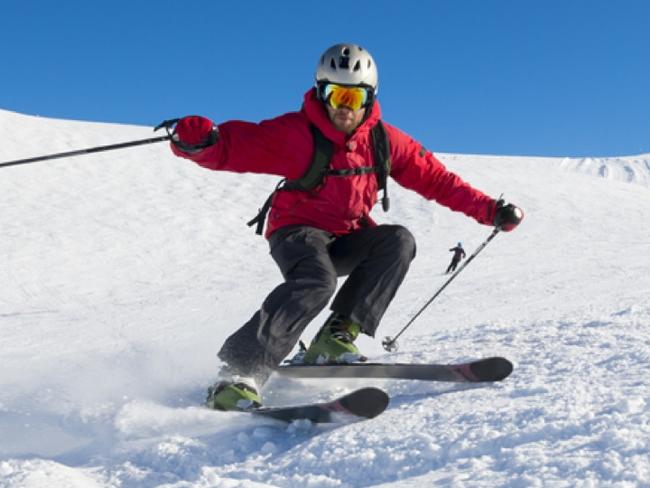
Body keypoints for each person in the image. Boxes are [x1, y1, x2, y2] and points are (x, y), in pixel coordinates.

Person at [168, 43, 524, 411]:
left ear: (369, 98)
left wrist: (490, 210)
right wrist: (198, 143)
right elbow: (234, 147)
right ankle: (238, 373)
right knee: (316, 282)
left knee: (398, 240)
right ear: (320, 93)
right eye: (335, 94)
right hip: (296, 231)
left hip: (346, 236)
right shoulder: (298, 134)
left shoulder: (384, 141)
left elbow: (438, 180)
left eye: (353, 97)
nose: (343, 107)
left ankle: (335, 338)